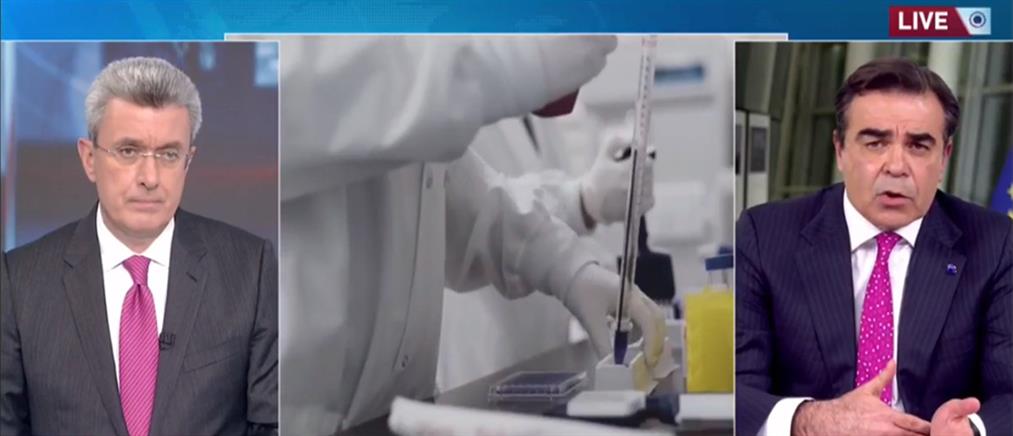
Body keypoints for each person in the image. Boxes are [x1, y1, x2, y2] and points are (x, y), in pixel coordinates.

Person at [265, 35, 671, 434]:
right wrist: (511, 57)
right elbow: (290, 97)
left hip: (404, 412)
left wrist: (564, 264)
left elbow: (443, 184)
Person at [0, 57, 278, 436]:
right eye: (129, 151)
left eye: (168, 154)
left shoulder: (250, 270)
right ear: (89, 159)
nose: (150, 177)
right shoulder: (19, 281)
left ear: (188, 162)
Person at [736, 57, 1011, 436]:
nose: (896, 166)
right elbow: (736, 390)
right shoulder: (765, 236)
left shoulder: (994, 242)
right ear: (840, 149)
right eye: (875, 142)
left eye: (918, 145)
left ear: (944, 157)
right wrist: (811, 421)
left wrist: (971, 430)